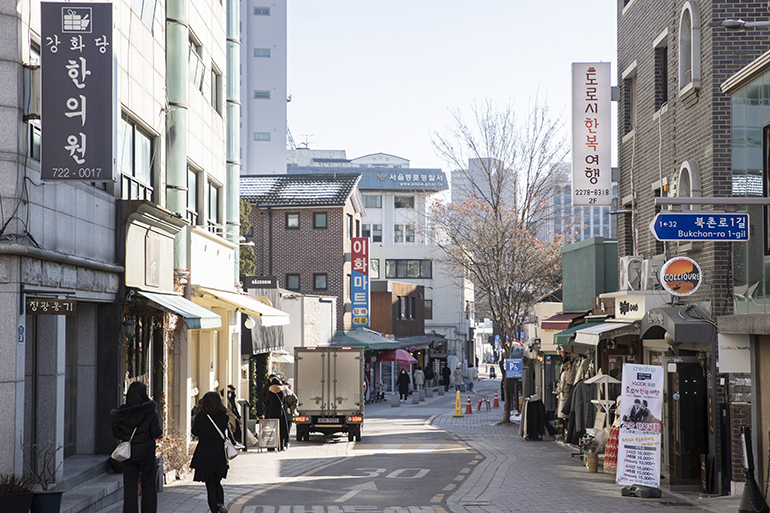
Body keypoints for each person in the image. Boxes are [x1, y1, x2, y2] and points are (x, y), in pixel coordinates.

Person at [110, 381, 162, 513]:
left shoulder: (120, 413)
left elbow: (116, 432)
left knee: (130, 487)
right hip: (146, 452)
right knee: (149, 486)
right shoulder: (150, 411)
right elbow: (157, 432)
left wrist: (126, 436)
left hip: (129, 453)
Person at [191, 391, 231, 513]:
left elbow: (195, 432)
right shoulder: (224, 417)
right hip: (219, 455)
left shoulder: (201, 417)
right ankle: (221, 504)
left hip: (205, 454)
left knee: (210, 486)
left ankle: (214, 510)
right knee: (218, 482)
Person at [265, 376, 289, 450]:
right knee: (281, 429)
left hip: (271, 412)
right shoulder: (281, 391)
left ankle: (271, 447)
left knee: (271, 429)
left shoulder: (269, 391)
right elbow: (284, 401)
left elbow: (266, 402)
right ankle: (280, 446)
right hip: (280, 412)